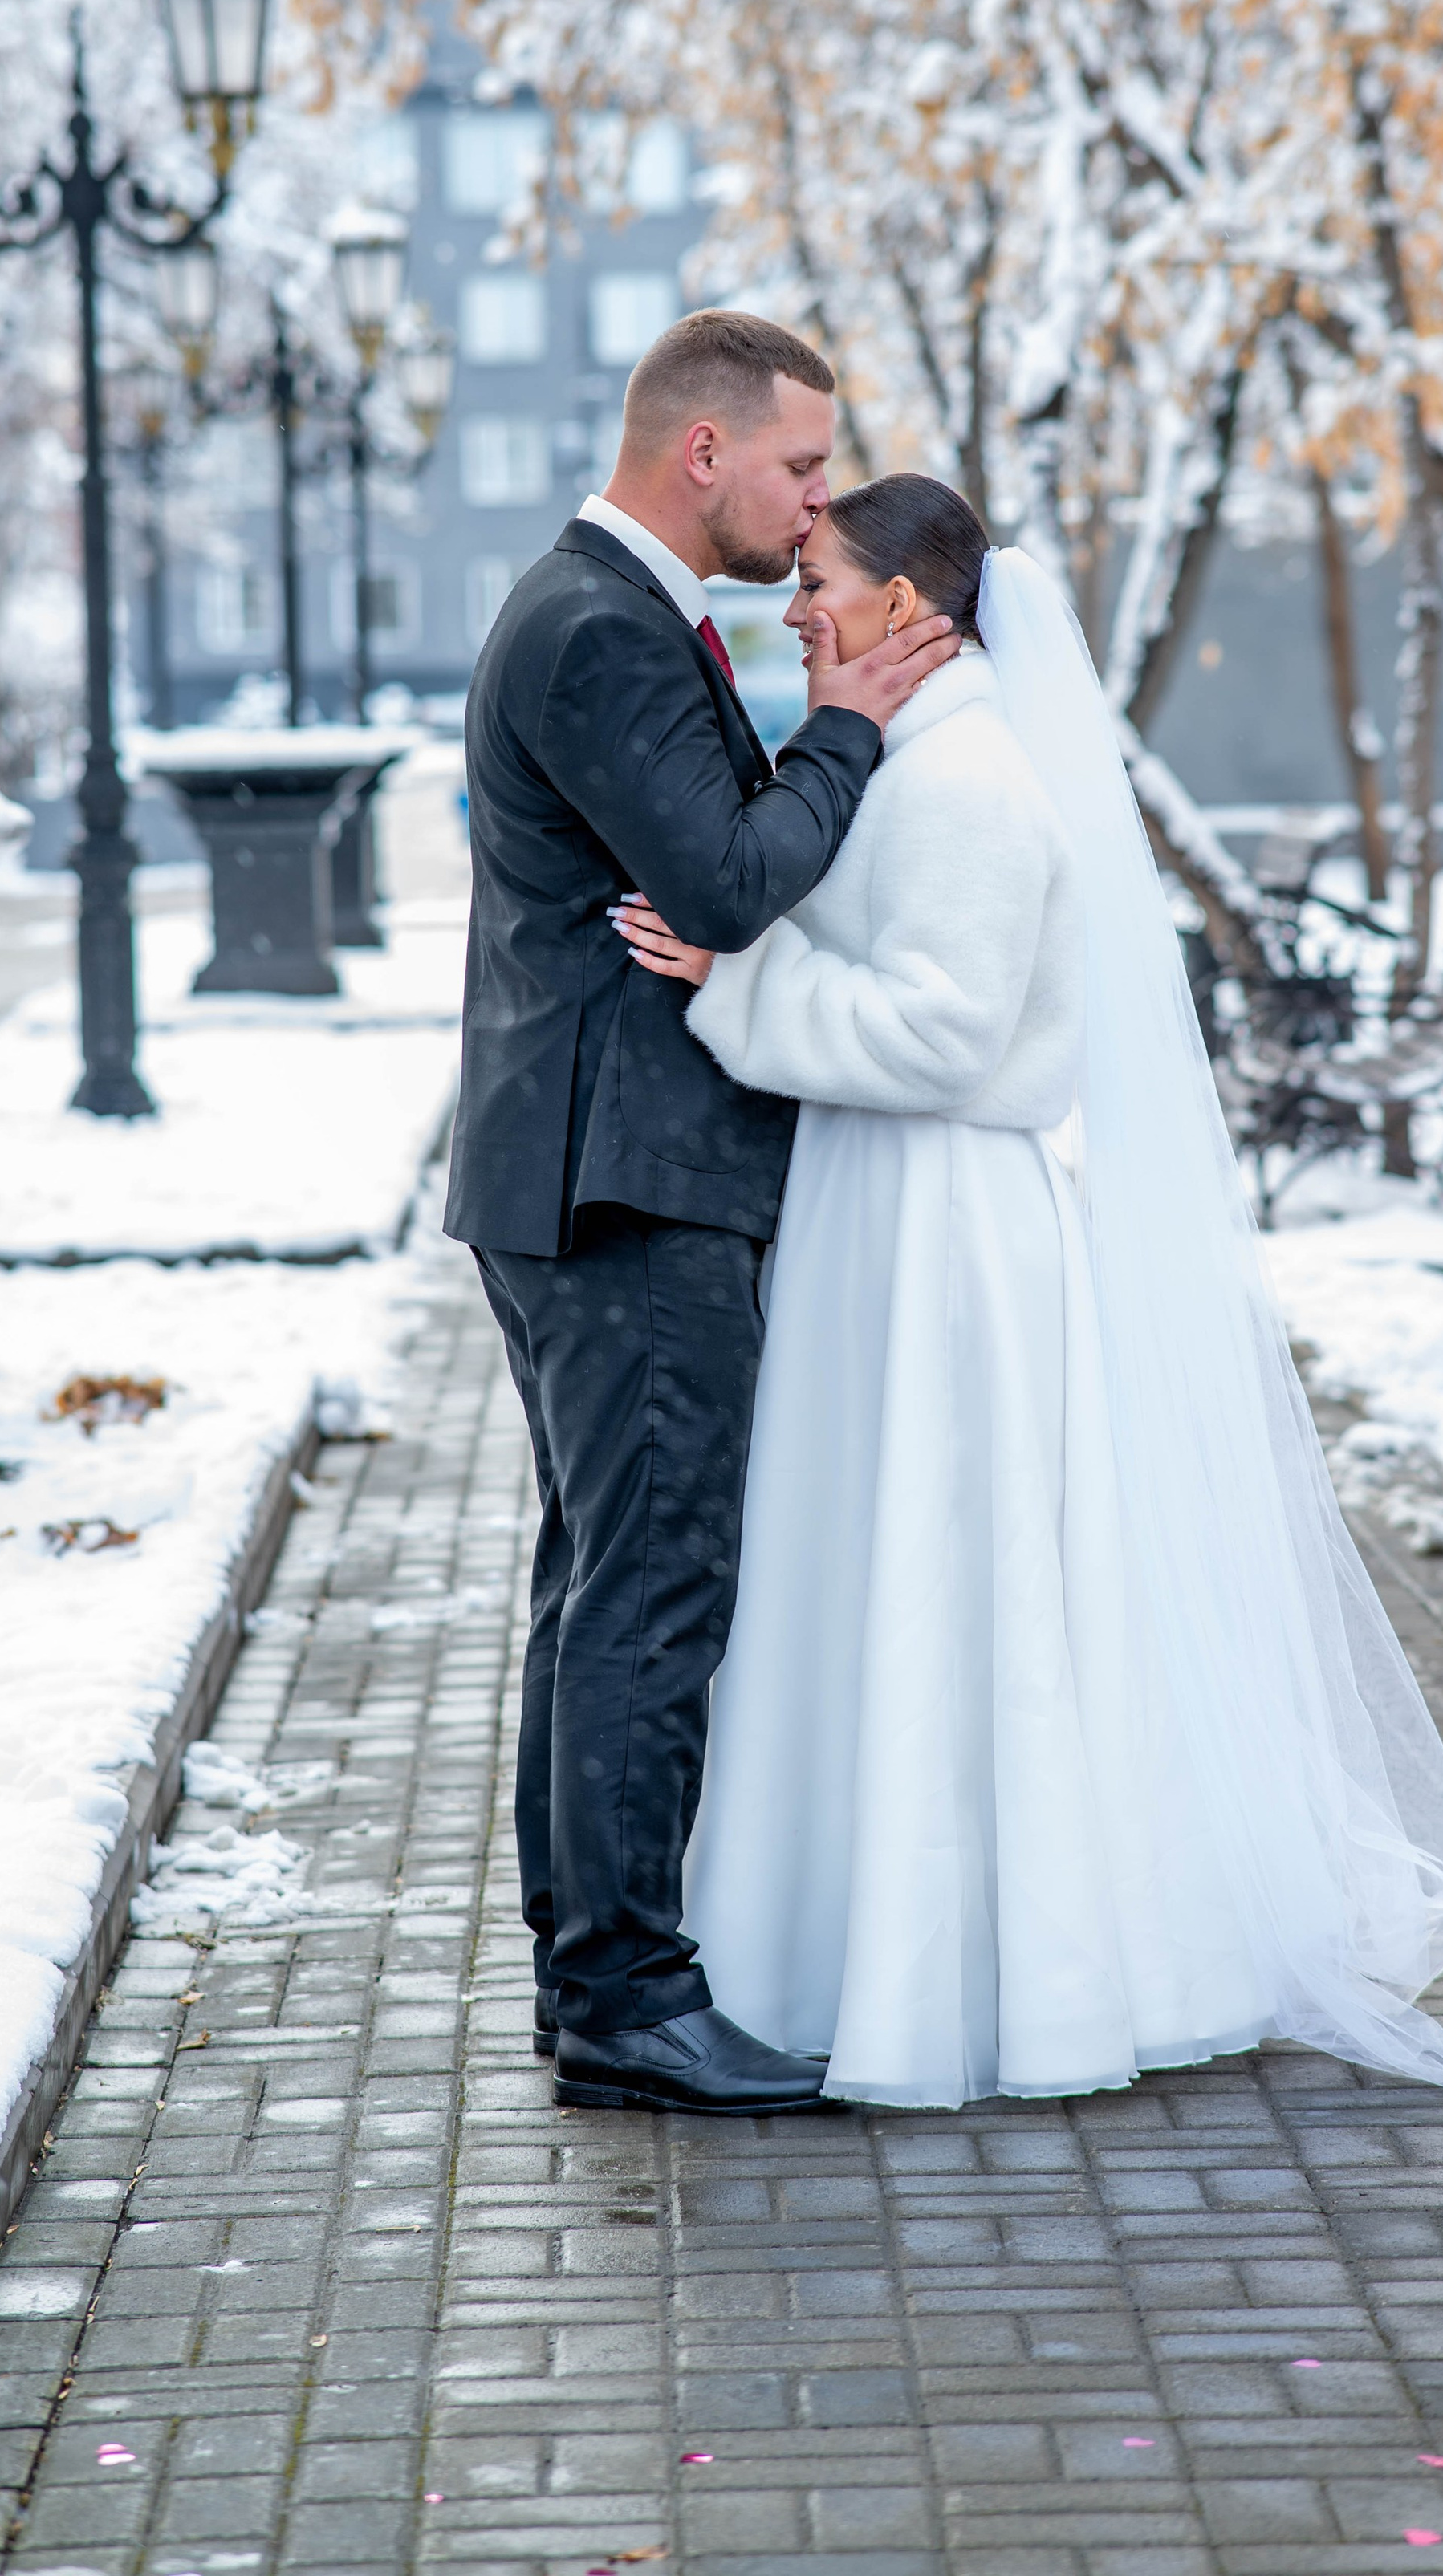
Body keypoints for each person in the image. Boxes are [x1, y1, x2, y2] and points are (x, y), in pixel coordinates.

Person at [614, 475, 1443, 2107]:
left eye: (822, 578)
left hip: (943, 1228)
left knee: (954, 1577)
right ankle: (875, 1944)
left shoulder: (969, 787)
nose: (794, 603)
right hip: (889, 1211)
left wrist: (742, 977)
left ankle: (986, 1968)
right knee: (892, 1571)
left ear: (914, 612)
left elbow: (941, 1036)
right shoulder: (914, 762)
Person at [445, 311, 961, 2116]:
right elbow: (732, 878)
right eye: (802, 465)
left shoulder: (607, 608)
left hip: (589, 1169)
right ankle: (626, 2002)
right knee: (649, 1590)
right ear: (702, 454)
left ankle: (592, 1980)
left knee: (597, 1586)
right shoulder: (596, 625)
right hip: (624, 1177)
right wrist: (843, 728)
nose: (816, 499)